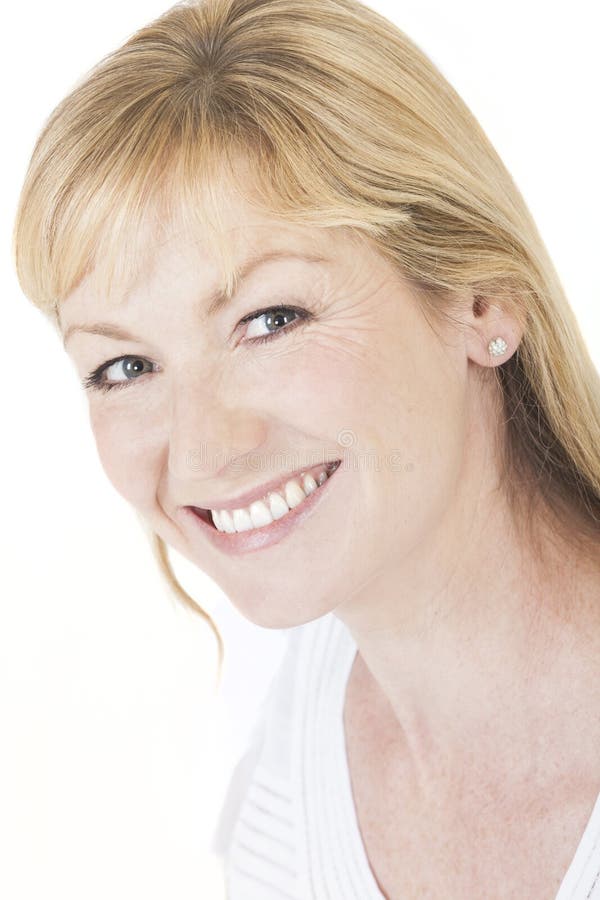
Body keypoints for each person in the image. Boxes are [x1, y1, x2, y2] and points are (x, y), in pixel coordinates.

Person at [13, 0, 600, 897]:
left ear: (482, 297)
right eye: (126, 364)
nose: (205, 452)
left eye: (271, 319)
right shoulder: (283, 732)